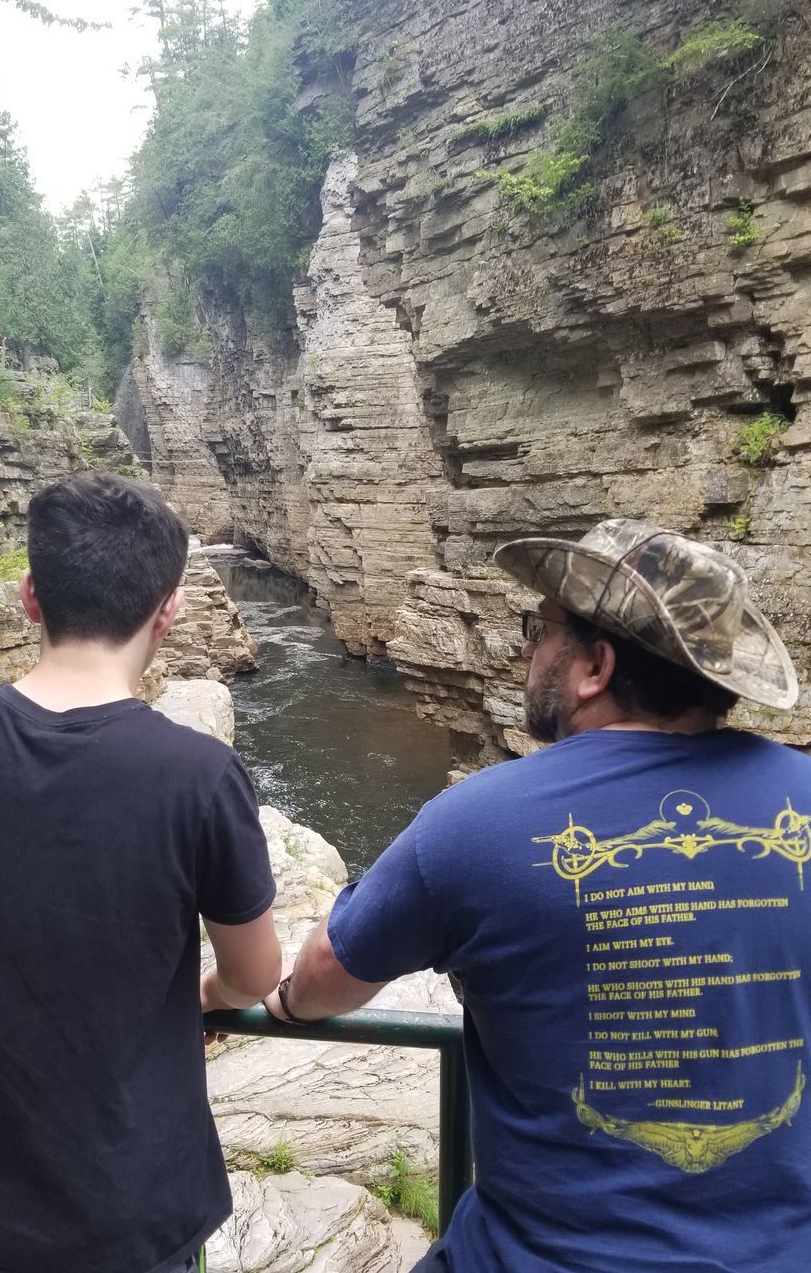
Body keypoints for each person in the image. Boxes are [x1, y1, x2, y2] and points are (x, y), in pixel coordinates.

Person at [265, 519, 810, 1273]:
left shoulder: (473, 823)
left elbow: (330, 975)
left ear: (595, 667)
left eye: (541, 629)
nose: (529, 649)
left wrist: (287, 1004)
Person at [0, 472, 282, 1273]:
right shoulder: (198, 774)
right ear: (170, 611)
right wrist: (211, 998)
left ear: (29, 596)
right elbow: (255, 973)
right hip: (127, 1206)